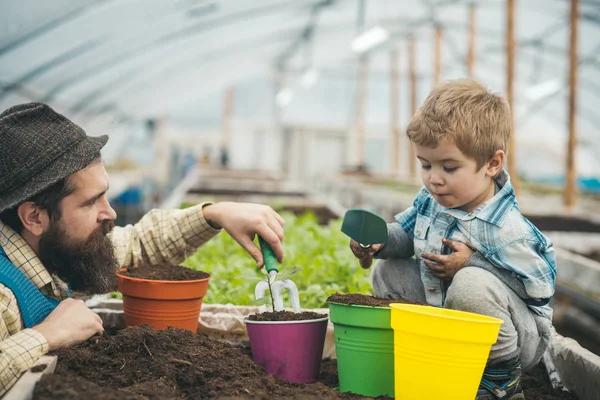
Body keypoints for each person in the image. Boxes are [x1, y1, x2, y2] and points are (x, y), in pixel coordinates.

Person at [0, 102, 285, 395]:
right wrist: (47, 335)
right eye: (90, 202)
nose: (109, 212)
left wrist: (214, 214)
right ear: (34, 217)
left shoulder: (54, 253)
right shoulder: (4, 295)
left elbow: (136, 245)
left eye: (105, 195)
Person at [350, 79, 556, 400]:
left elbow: (540, 291)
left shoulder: (507, 227)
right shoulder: (431, 199)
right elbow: (406, 234)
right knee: (386, 271)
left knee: (471, 282)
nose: (434, 178)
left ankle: (501, 380)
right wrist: (378, 242)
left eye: (448, 167)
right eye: (425, 165)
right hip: (448, 312)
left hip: (515, 337)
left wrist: (472, 262)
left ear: (492, 163)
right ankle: (430, 352)